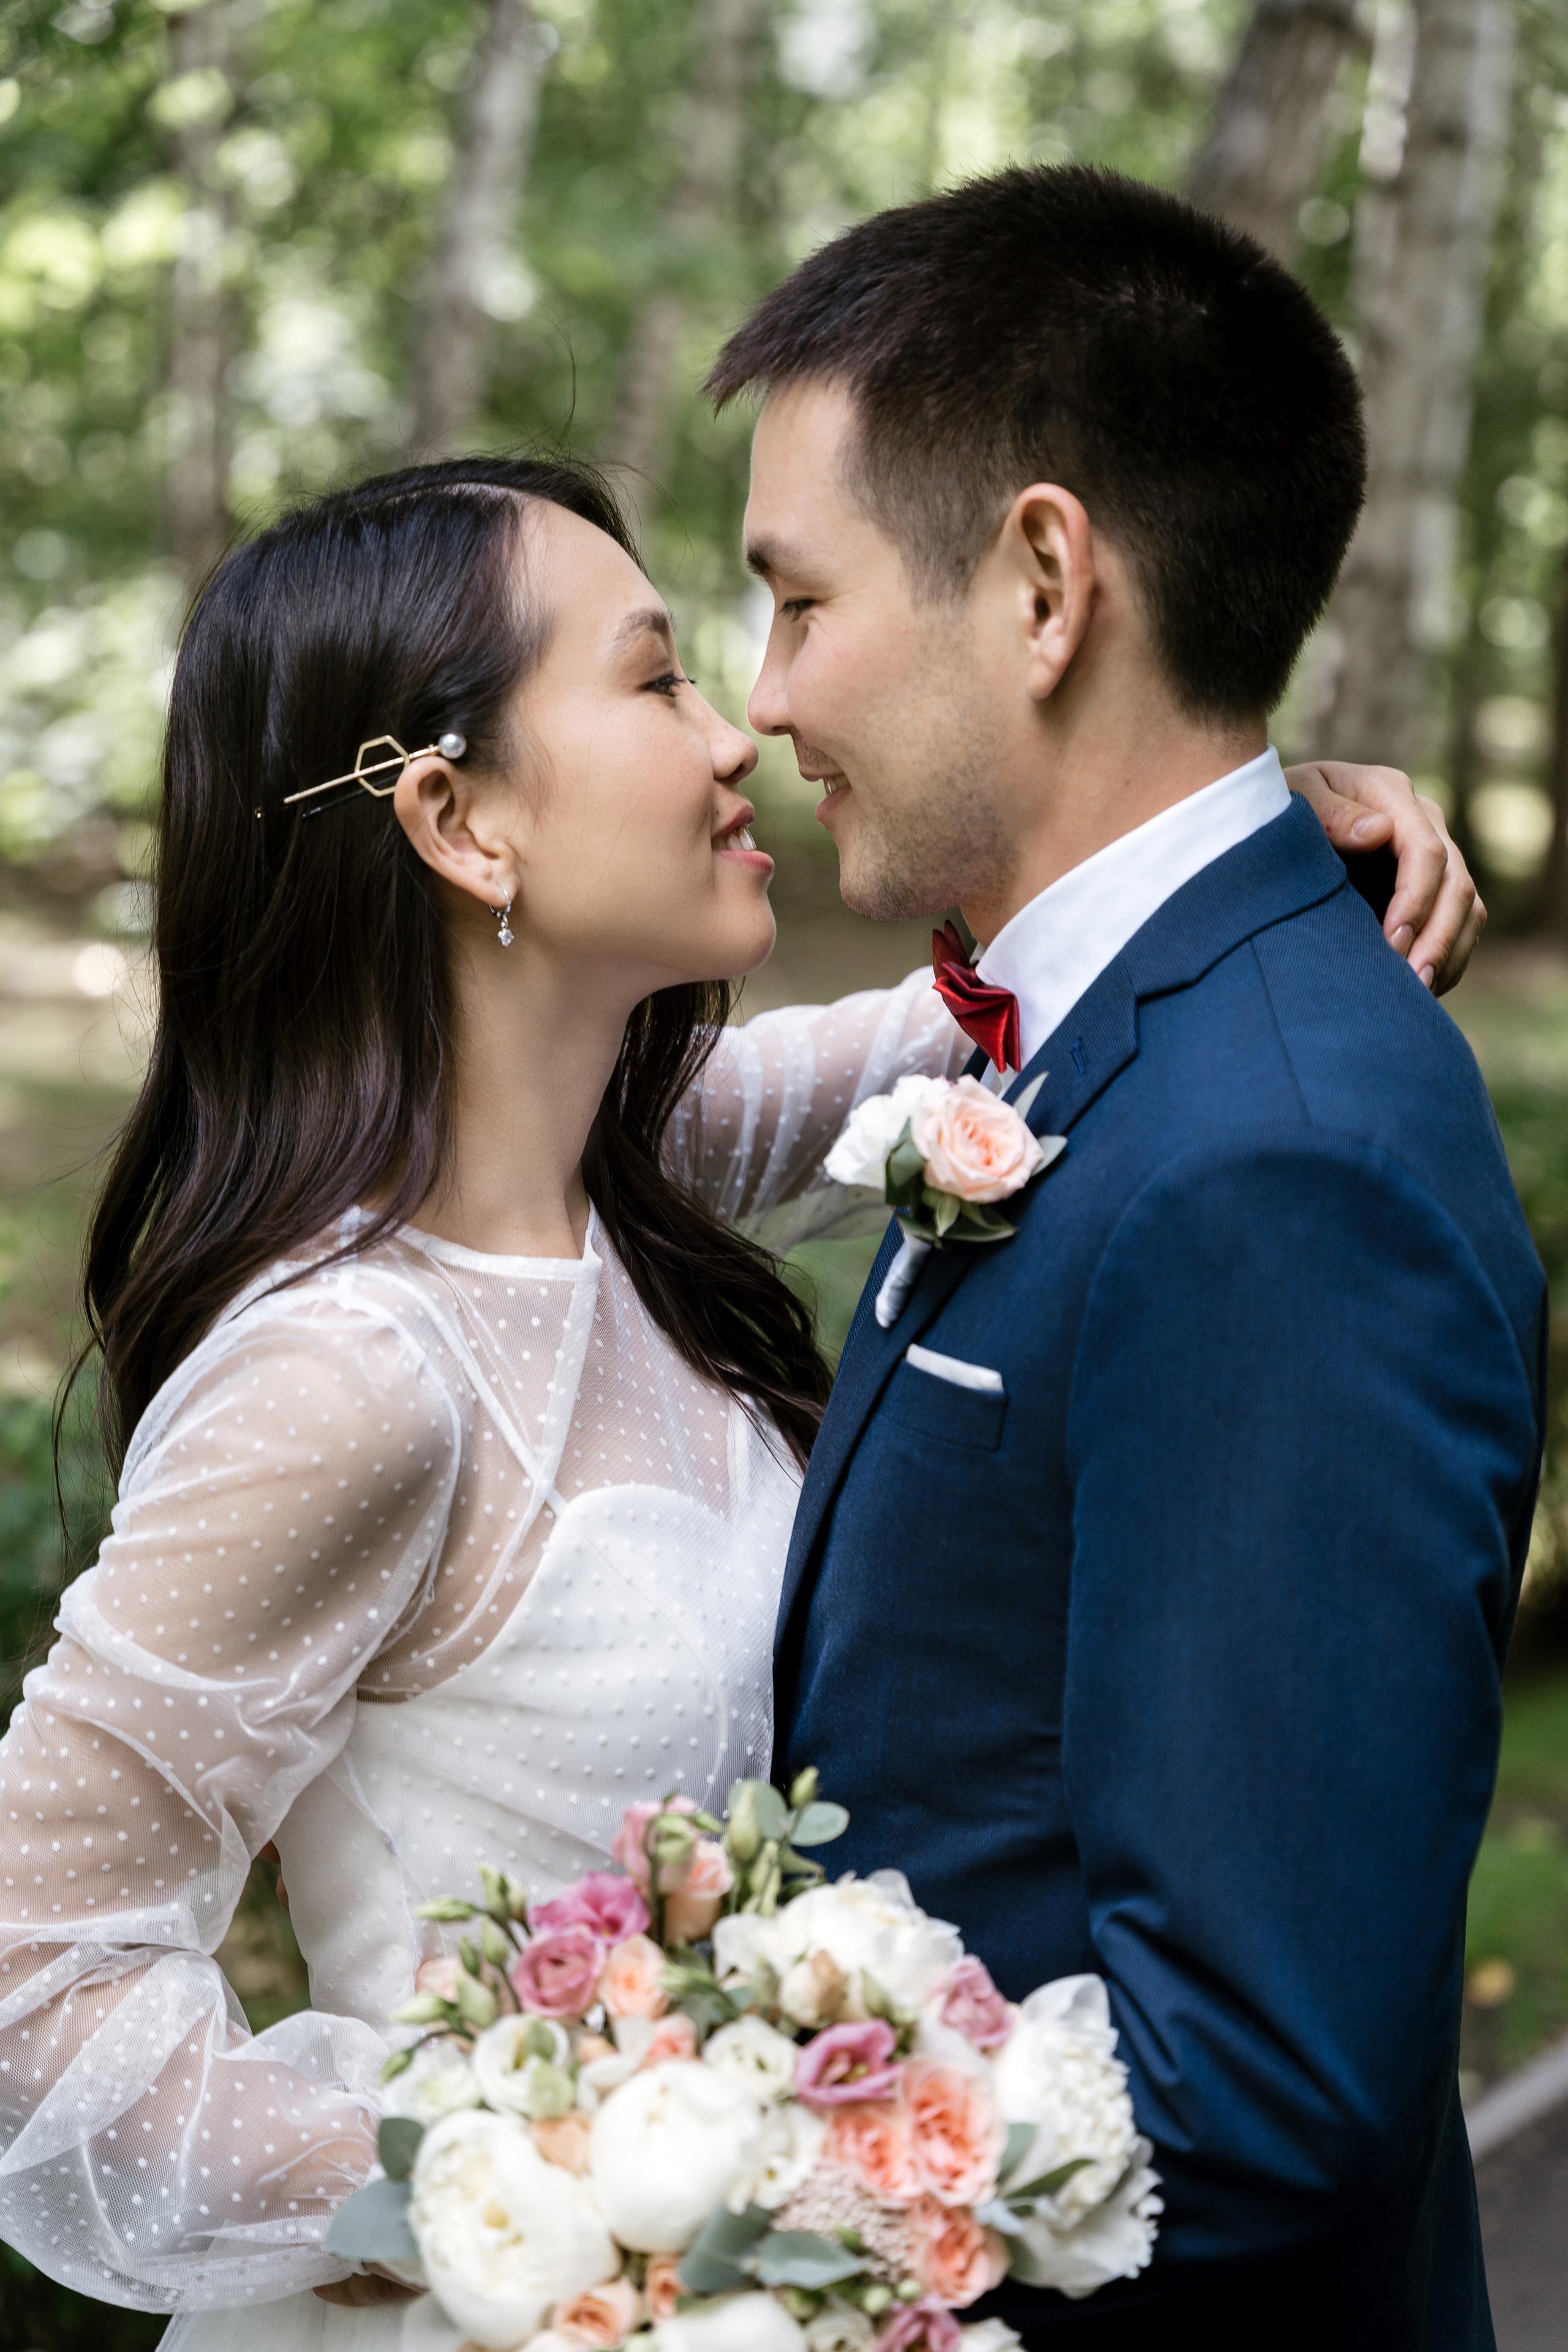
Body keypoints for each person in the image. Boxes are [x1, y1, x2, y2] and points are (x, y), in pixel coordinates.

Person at [0, 450, 1474, 2343]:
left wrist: (1249, 816)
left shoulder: (638, 1169)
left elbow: (1022, 983)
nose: (741, 734)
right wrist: (539, 2181)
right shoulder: (343, 1373)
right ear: (457, 821)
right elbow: (31, 1978)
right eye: (656, 679)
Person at [709, 167, 1544, 2350]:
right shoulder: (1115, 1032)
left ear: (1047, 581)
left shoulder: (1281, 1160)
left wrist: (678, 2197)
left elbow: (1254, 2091)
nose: (761, 694)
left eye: (796, 602)